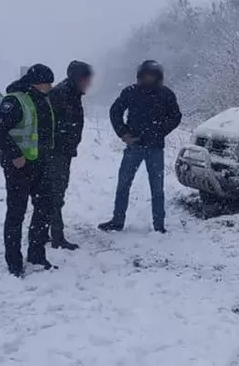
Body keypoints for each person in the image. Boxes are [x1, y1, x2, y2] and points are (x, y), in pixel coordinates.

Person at [0, 64, 57, 277]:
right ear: (38, 82)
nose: (50, 87)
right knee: (16, 213)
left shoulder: (41, 99)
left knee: (44, 208)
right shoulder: (15, 100)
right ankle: (14, 262)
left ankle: (36, 254)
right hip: (19, 166)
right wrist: (15, 155)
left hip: (40, 164)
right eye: (48, 83)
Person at [99, 60, 182, 234]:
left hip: (156, 148)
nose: (148, 78)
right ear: (140, 75)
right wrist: (123, 133)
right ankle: (117, 220)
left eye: (151, 75)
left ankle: (159, 226)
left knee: (157, 188)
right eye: (145, 75)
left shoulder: (166, 94)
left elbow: (175, 117)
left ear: (158, 76)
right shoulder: (131, 92)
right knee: (123, 184)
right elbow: (115, 111)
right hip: (134, 146)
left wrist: (160, 131)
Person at [47, 60, 93, 250]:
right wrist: (61, 143)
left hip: (62, 152)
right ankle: (56, 236)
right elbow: (51, 124)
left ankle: (45, 232)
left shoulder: (72, 93)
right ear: (78, 78)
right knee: (55, 193)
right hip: (55, 153)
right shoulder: (60, 94)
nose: (89, 83)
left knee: (55, 192)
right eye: (86, 79)